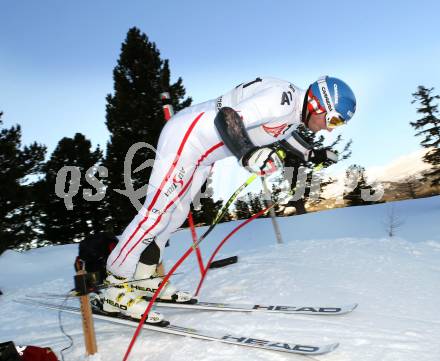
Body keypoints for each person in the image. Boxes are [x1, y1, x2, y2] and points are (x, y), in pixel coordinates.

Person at [101, 76, 357, 322]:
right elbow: (228, 117)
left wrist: (312, 153)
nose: (329, 128)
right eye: (332, 120)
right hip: (186, 138)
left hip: (203, 155)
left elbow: (285, 135)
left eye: (338, 125)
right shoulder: (282, 98)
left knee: (174, 216)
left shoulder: (293, 114)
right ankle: (114, 287)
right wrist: (247, 154)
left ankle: (144, 278)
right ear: (317, 103)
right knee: (155, 215)